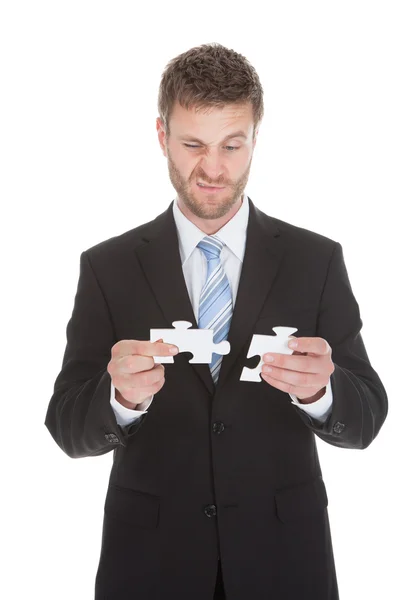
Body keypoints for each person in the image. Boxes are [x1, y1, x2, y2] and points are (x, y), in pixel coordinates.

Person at [45, 43, 388, 599]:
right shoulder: (107, 267)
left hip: (285, 564)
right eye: (192, 145)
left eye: (232, 144)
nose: (212, 168)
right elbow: (66, 428)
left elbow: (368, 417)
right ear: (162, 138)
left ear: (256, 137)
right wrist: (119, 399)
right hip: (151, 567)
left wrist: (323, 391)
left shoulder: (315, 260)